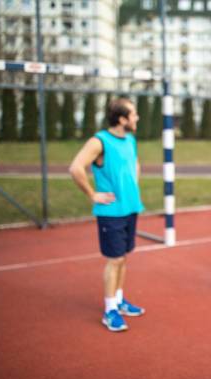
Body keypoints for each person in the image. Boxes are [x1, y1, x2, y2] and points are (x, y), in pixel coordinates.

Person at [69, 97, 145, 332]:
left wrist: (132, 187)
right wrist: (92, 194)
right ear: (122, 119)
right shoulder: (99, 141)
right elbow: (75, 168)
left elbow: (135, 164)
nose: (137, 118)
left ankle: (119, 300)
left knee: (123, 257)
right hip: (111, 212)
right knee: (115, 260)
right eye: (133, 114)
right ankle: (109, 310)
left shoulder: (130, 139)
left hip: (130, 208)